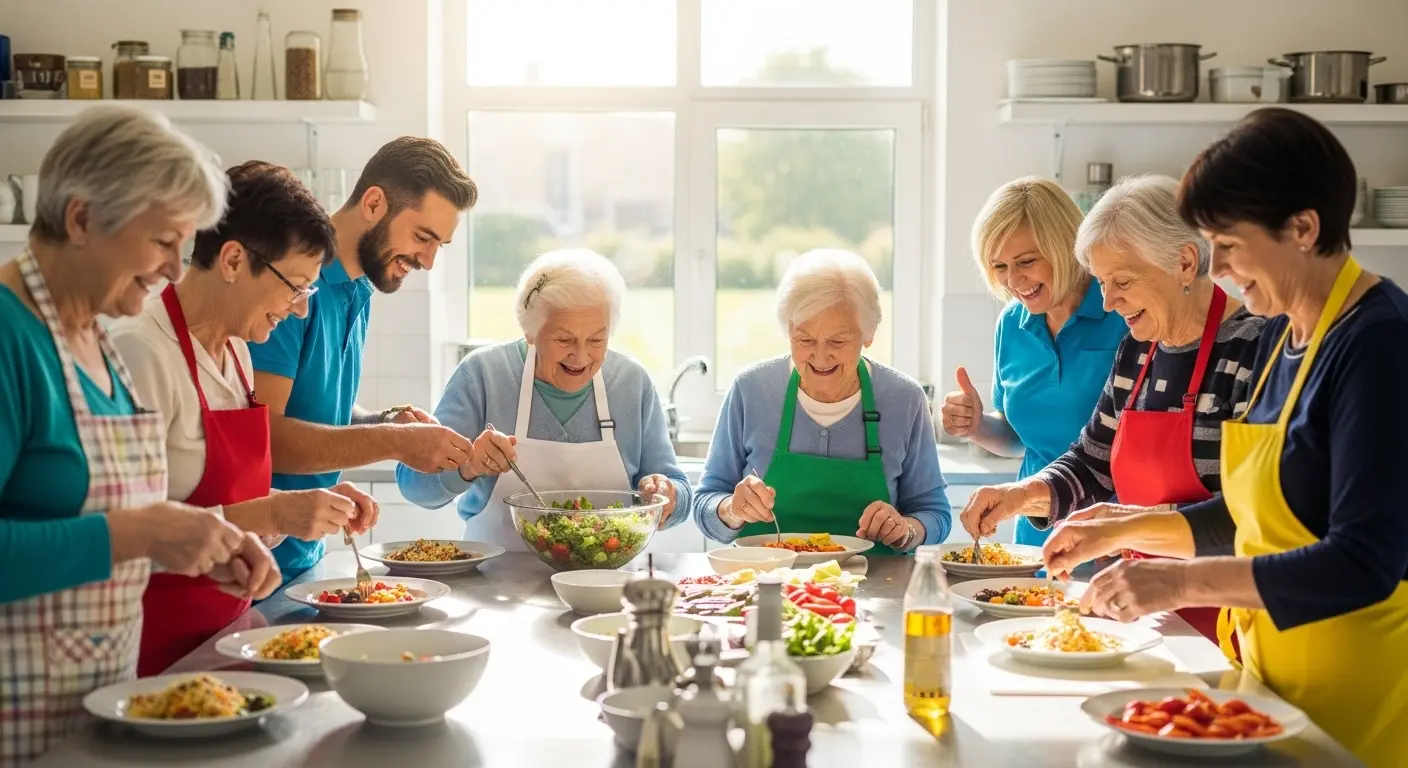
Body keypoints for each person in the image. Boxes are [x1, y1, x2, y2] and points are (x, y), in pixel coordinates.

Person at [1077, 108, 1408, 766]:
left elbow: (1365, 562)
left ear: (1303, 228)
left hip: (1355, 698)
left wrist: (1179, 586)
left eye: (1229, 243)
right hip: (1266, 683)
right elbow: (1246, 517)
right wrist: (1124, 527)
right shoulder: (1283, 337)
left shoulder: (1381, 344)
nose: (1219, 267)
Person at [0, 106, 280, 763]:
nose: (177, 269)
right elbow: (115, 531)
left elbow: (94, 521)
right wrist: (137, 534)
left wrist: (201, 543)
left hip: (94, 712)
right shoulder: (10, 337)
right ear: (81, 219)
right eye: (163, 242)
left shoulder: (96, 339)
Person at [957, 175, 1265, 642]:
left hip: (1232, 620)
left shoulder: (1255, 348)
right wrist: (1021, 495)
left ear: (1185, 263)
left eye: (1121, 281)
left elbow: (1252, 513)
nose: (1107, 301)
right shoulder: (1138, 350)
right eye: (1102, 283)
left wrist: (1123, 527)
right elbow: (1092, 462)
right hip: (1144, 615)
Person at [112, 161, 380, 676]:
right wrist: (274, 514)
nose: (300, 310)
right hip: (158, 654)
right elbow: (126, 538)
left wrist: (307, 503)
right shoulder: (140, 354)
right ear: (233, 260)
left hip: (228, 638)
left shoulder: (236, 350)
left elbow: (229, 498)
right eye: (294, 287)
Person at [249, 137, 479, 583]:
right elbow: (265, 437)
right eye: (422, 237)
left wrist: (383, 419)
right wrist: (394, 441)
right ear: (373, 203)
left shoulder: (360, 288)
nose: (428, 261)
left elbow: (314, 408)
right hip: (255, 565)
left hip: (302, 558)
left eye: (440, 245)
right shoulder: (293, 287)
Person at [397, 248, 692, 544]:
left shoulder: (631, 382)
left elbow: (678, 492)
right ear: (530, 332)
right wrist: (468, 466)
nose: (580, 356)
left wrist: (666, 495)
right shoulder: (483, 375)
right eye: (564, 339)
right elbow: (415, 487)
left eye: (596, 340)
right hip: (494, 570)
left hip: (607, 570)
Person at [692, 249, 951, 552]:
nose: (820, 355)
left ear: (868, 334)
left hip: (875, 580)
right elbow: (705, 502)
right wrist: (731, 509)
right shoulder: (751, 389)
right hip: (767, 576)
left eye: (837, 341)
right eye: (805, 339)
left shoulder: (904, 399)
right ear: (788, 329)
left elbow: (935, 513)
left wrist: (906, 530)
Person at [940, 177, 1128, 546]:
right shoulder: (1012, 324)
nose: (1013, 280)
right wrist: (976, 426)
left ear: (1066, 246)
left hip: (1112, 533)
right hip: (1037, 532)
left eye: (1027, 261)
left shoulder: (1121, 311)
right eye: (999, 266)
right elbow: (1019, 438)